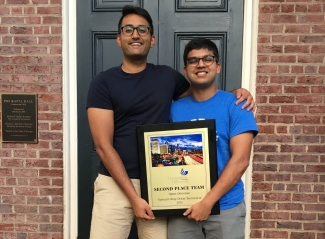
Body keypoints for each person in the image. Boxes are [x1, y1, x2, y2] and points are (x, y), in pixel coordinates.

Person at [86, 5, 255, 239]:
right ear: (118, 39)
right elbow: (103, 145)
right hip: (115, 184)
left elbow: (203, 96)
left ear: (152, 39)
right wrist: (134, 197)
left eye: (142, 29)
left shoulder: (168, 77)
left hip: (161, 187)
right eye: (128, 29)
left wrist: (236, 94)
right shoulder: (103, 83)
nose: (136, 34)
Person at [167, 38, 258, 239]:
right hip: (182, 207)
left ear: (217, 66)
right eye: (193, 60)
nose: (200, 64)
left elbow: (241, 160)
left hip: (226, 207)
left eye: (207, 59)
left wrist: (207, 203)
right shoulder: (174, 110)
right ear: (185, 70)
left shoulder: (238, 105)